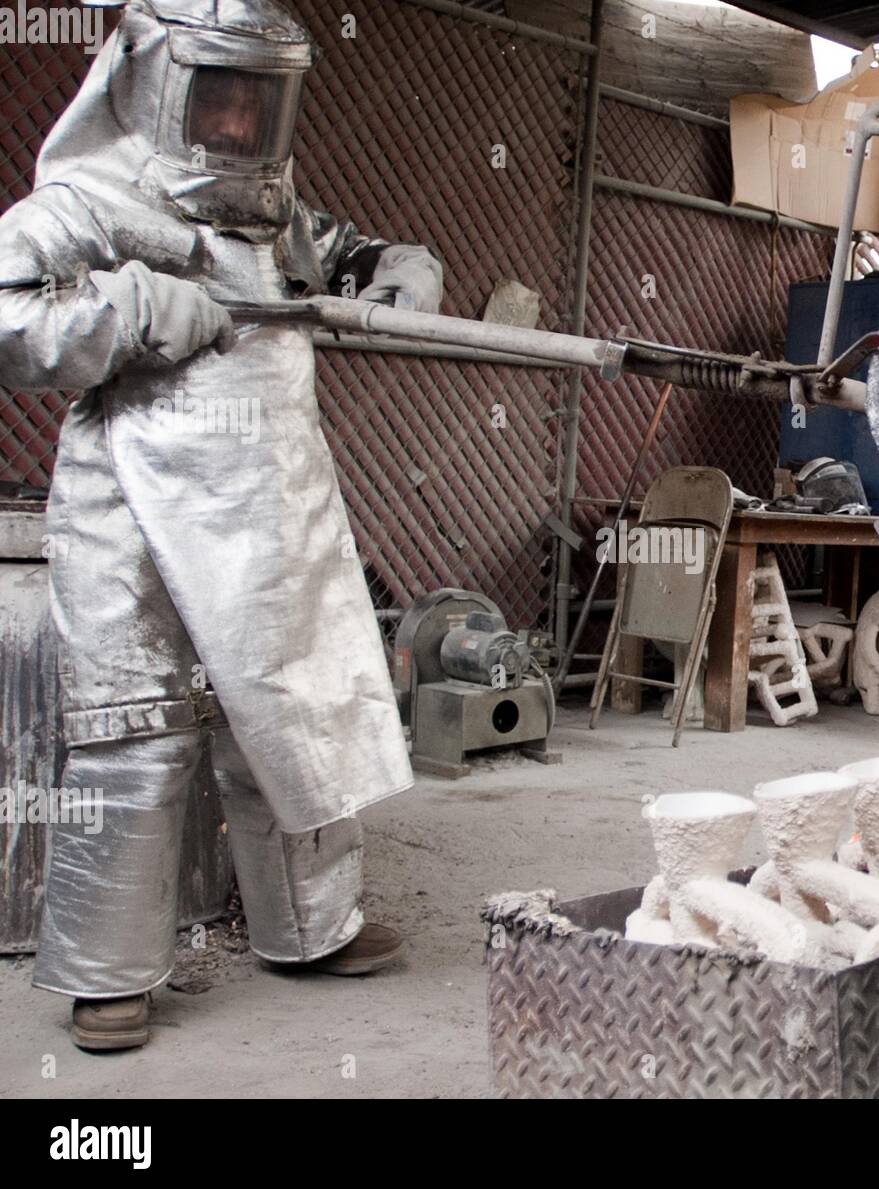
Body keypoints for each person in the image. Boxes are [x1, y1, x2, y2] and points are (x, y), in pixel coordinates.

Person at [0, 0, 443, 1051]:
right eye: (224, 94)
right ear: (161, 82)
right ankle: (110, 975)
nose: (241, 122)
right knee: (135, 729)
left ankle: (314, 928)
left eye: (262, 98)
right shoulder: (90, 198)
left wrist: (397, 267)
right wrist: (134, 310)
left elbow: (347, 254)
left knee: (289, 711)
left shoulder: (272, 210)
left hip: (267, 494)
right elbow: (7, 310)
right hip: (133, 506)